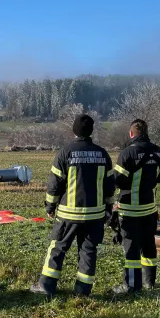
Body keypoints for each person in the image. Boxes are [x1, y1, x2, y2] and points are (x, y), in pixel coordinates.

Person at [30, 114, 116, 298]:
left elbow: (54, 185)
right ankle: (83, 291)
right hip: (95, 216)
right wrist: (109, 208)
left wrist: (50, 206)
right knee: (88, 251)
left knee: (58, 248)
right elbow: (110, 186)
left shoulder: (65, 152)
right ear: (91, 131)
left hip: (68, 215)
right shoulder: (103, 154)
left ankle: (46, 286)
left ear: (74, 131)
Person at [111, 119, 160, 295]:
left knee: (131, 248)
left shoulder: (127, 153)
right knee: (148, 245)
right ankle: (149, 282)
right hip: (150, 209)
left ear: (131, 134)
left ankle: (130, 285)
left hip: (130, 209)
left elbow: (118, 179)